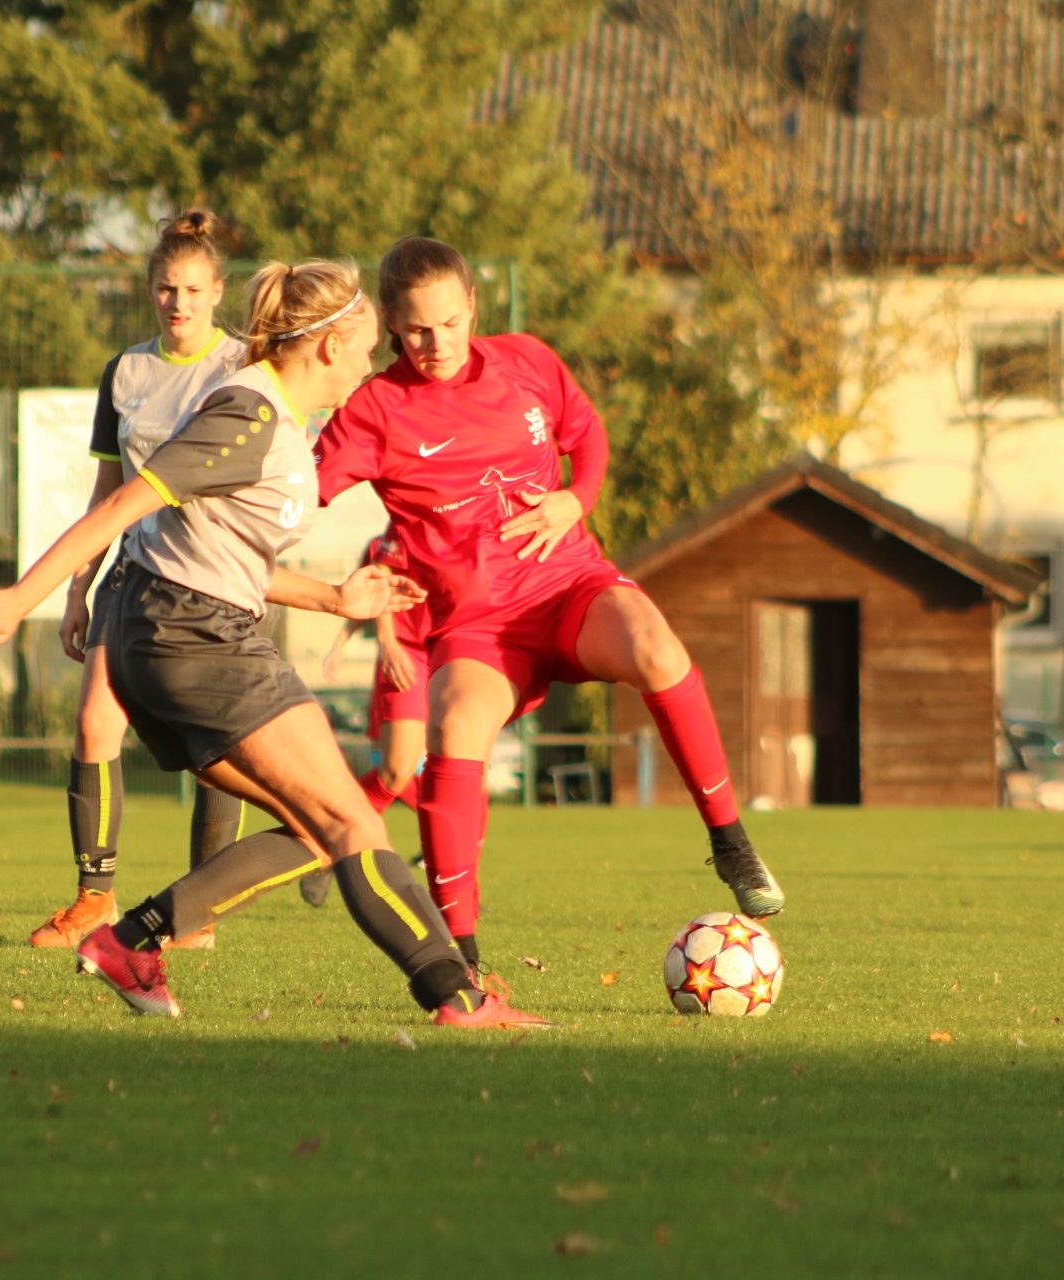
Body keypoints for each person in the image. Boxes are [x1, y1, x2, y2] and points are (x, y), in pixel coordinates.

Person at [0, 258, 548, 1028]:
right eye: (371, 347)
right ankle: (459, 995)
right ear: (333, 345)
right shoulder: (248, 415)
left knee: (316, 829)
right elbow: (120, 513)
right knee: (354, 823)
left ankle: (132, 940)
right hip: (195, 639)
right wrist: (21, 598)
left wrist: (335, 597)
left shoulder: (272, 418)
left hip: (174, 634)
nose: (377, 366)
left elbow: (227, 557)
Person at [314, 236, 784, 969]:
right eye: (414, 330)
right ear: (391, 324)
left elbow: (587, 435)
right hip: (480, 627)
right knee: (459, 723)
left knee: (659, 649)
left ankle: (731, 843)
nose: (434, 343)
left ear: (473, 305)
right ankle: (462, 964)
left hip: (568, 587)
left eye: (447, 322)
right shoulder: (375, 410)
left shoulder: (527, 359)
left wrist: (576, 497)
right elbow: (293, 496)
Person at [32, 210, 251, 951]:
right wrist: (75, 588)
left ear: (219, 291)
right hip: (133, 577)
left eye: (192, 288)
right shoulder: (125, 372)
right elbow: (107, 493)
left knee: (216, 753)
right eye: (165, 288)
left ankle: (199, 912)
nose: (178, 302)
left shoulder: (244, 368)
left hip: (219, 582)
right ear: (150, 290)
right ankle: (94, 898)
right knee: (95, 724)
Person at [302, 528, 433, 907]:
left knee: (467, 783)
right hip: (407, 657)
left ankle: (460, 897)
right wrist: (381, 643)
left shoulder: (475, 516)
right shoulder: (397, 533)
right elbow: (370, 593)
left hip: (455, 651)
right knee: (396, 771)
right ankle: (326, 843)